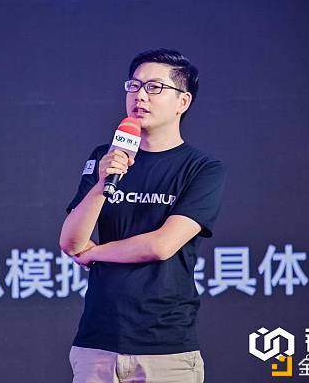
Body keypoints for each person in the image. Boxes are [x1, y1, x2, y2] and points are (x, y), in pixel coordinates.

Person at [59, 48, 226, 383]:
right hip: (96, 342)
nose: (140, 96)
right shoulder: (106, 157)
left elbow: (162, 245)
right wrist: (102, 184)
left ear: (183, 101)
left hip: (164, 347)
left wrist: (95, 253)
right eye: (134, 86)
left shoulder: (202, 169)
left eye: (154, 87)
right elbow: (71, 242)